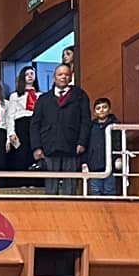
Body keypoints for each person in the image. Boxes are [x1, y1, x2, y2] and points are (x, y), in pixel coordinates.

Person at [29, 63, 91, 194]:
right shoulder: (43, 99)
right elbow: (35, 124)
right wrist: (37, 147)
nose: (63, 77)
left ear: (71, 77)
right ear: (54, 78)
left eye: (66, 75)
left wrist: (82, 142)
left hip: (72, 145)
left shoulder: (80, 96)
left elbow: (86, 121)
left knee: (70, 185)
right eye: (60, 74)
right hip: (49, 146)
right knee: (51, 185)